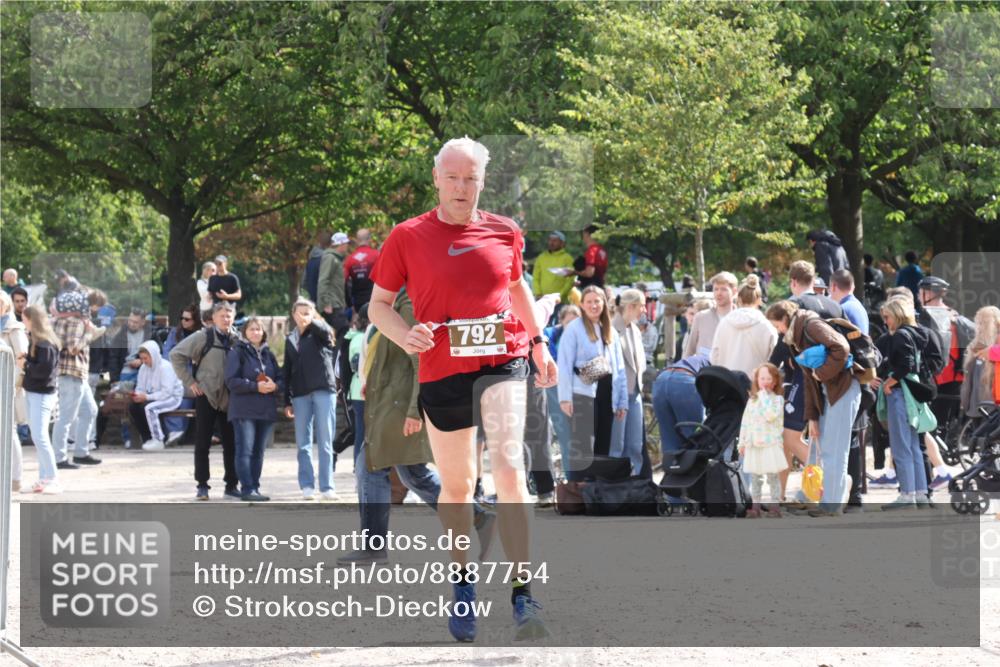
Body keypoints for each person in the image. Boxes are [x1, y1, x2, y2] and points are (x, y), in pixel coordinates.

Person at [368, 136, 557, 641]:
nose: (461, 187)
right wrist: (405, 334)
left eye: (470, 178)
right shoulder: (407, 236)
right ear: (436, 179)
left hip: (502, 359)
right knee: (457, 486)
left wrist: (537, 342)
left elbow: (517, 287)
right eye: (452, 177)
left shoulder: (505, 231)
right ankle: (463, 584)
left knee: (510, 466)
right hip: (441, 368)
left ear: (482, 181)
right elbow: (379, 305)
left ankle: (523, 592)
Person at [340, 288, 497, 564]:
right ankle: (479, 517)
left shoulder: (409, 303)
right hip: (392, 399)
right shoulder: (396, 300)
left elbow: (419, 357)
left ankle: (373, 546)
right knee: (413, 473)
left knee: (371, 466)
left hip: (401, 404)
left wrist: (415, 409)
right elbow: (389, 351)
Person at [766, 300, 862, 517]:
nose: (777, 331)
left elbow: (842, 348)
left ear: (784, 319)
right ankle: (818, 495)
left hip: (843, 389)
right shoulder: (797, 335)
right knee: (819, 448)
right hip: (832, 390)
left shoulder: (810, 326)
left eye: (776, 325)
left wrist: (822, 374)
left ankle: (831, 504)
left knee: (833, 450)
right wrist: (812, 418)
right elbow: (809, 381)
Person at [170, 302, 240, 501]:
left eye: (229, 316)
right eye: (222, 315)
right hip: (205, 396)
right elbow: (176, 354)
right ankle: (202, 485)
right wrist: (190, 382)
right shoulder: (204, 337)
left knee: (231, 443)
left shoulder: (237, 340)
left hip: (229, 398)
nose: (226, 319)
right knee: (202, 443)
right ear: (214, 317)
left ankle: (232, 485)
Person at [557, 285, 628, 481]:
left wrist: (622, 401)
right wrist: (564, 398)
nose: (593, 305)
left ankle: (598, 490)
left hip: (607, 394)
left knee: (603, 444)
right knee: (583, 445)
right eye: (589, 301)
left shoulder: (610, 330)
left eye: (597, 301)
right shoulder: (574, 329)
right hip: (582, 394)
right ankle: (578, 491)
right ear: (582, 305)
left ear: (604, 303)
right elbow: (563, 365)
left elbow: (620, 369)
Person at [873, 298, 930, 510]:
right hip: (912, 392)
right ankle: (920, 492)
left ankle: (907, 495)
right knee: (914, 444)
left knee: (901, 445)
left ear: (896, 315)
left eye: (887, 317)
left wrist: (889, 382)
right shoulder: (917, 333)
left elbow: (905, 364)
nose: (885, 322)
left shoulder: (899, 336)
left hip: (899, 393)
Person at [283, 298, 339, 501]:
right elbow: (286, 371)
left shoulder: (320, 332)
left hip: (324, 390)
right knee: (303, 443)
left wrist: (313, 319)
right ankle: (307, 485)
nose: (303, 316)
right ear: (293, 314)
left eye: (308, 312)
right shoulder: (290, 338)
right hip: (299, 394)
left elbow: (327, 333)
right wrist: (286, 400)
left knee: (325, 441)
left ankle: (327, 487)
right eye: (300, 312)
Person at [225, 317, 281, 501]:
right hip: (243, 410)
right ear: (245, 332)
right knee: (245, 450)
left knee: (258, 452)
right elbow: (231, 381)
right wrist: (255, 387)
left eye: (258, 329)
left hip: (265, 410)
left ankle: (255, 488)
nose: (255, 332)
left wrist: (275, 386)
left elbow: (280, 377)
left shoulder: (269, 354)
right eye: (252, 329)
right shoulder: (237, 352)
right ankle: (247, 489)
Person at [51, 293, 103, 469]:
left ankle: (81, 452)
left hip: (74, 373)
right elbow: (74, 348)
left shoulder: (61, 319)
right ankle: (59, 458)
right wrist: (91, 334)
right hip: (72, 373)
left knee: (90, 410)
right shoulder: (77, 322)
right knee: (66, 417)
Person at [651, 352, 712, 502]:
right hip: (685, 382)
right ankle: (696, 494)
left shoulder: (700, 355)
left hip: (661, 379)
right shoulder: (720, 358)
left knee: (670, 443)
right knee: (695, 443)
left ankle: (674, 498)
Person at [17, 305, 62, 494]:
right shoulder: (38, 341)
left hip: (42, 393)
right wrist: (28, 359)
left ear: (31, 320)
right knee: (38, 436)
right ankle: (44, 478)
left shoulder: (44, 343)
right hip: (36, 392)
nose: (22, 322)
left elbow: (44, 372)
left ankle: (51, 478)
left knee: (40, 436)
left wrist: (25, 363)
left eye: (24, 319)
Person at [739, 363, 788, 518]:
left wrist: (765, 398)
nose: (765, 381)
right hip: (754, 443)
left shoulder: (777, 400)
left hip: (770, 444)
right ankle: (756, 507)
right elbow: (745, 422)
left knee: (772, 476)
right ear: (757, 380)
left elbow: (771, 416)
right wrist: (742, 442)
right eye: (762, 378)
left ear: (775, 381)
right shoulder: (752, 400)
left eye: (769, 378)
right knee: (755, 477)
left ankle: (774, 506)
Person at [710, 274, 777, 378]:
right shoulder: (767, 326)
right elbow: (775, 359)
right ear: (759, 300)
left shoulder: (724, 323)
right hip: (756, 385)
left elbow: (714, 357)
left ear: (739, 299)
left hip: (727, 382)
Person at [611, 288, 647, 476]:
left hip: (636, 394)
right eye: (642, 306)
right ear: (631, 306)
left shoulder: (634, 329)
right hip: (618, 397)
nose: (645, 310)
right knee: (617, 446)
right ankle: (616, 489)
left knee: (635, 445)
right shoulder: (610, 328)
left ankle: (634, 486)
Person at [543, 304, 580, 479]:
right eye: (569, 322)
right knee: (567, 437)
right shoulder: (550, 337)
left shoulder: (584, 336)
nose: (573, 327)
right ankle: (571, 480)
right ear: (561, 322)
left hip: (580, 391)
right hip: (556, 391)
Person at [129, 341, 184, 451]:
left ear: (153, 355)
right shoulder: (143, 368)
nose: (144, 361)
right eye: (142, 359)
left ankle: (159, 439)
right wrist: (138, 395)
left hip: (172, 397)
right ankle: (147, 438)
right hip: (153, 396)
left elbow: (167, 392)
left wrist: (147, 397)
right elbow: (140, 387)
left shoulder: (165, 367)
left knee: (150, 408)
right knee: (133, 406)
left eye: (146, 358)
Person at [0, 293, 27, 490]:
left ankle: (15, 478)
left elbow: (22, 358)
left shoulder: (14, 328)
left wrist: (16, 383)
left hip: (9, 386)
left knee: (9, 432)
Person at [684, 272, 738, 358]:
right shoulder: (700, 317)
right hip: (705, 370)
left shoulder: (741, 320)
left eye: (724, 289)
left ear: (734, 292)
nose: (719, 293)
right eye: (716, 289)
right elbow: (689, 352)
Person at [960, 306, 1000, 419]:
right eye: (978, 322)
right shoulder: (974, 346)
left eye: (984, 322)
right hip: (974, 406)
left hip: (992, 408)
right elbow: (968, 379)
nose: (980, 327)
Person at [318, 232, 350, 340]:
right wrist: (326, 303)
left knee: (339, 336)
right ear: (341, 244)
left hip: (337, 304)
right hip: (332, 306)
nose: (347, 246)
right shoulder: (330, 258)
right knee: (342, 333)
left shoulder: (336, 258)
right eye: (346, 243)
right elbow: (323, 280)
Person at [532, 231, 575, 307]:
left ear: (562, 243)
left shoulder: (568, 258)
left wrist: (560, 296)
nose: (551, 243)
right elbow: (536, 277)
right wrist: (538, 293)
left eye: (555, 240)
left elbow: (570, 281)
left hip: (560, 302)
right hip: (542, 301)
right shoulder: (541, 257)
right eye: (550, 240)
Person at [343, 228, 380, 310]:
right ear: (369, 239)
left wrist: (349, 303)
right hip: (375, 299)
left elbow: (344, 282)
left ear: (357, 240)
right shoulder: (377, 255)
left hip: (357, 302)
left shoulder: (350, 259)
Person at [829, 269, 869, 334]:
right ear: (853, 287)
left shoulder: (841, 310)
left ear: (833, 286)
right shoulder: (859, 306)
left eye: (829, 287)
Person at [576, 225, 608, 289]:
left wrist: (574, 272)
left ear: (587, 234)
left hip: (590, 288)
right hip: (600, 286)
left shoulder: (591, 251)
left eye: (583, 234)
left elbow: (589, 273)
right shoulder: (602, 251)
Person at [301, 231, 329, 304]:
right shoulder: (328, 260)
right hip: (327, 303)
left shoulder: (310, 261)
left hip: (313, 301)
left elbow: (303, 282)